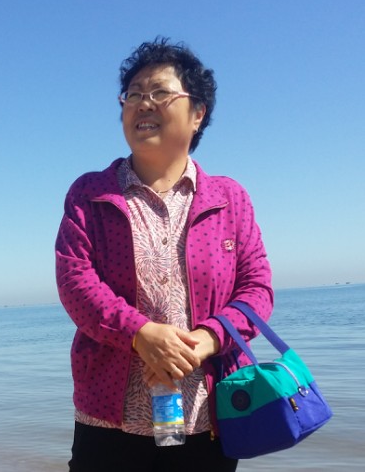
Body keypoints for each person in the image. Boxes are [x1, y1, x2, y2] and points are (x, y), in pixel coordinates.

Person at [55, 37, 273, 472]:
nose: (143, 103)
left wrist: (208, 339)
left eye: (159, 92)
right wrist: (142, 334)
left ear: (198, 113)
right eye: (133, 94)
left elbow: (257, 290)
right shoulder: (91, 193)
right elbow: (76, 282)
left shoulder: (229, 198)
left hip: (209, 416)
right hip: (108, 419)